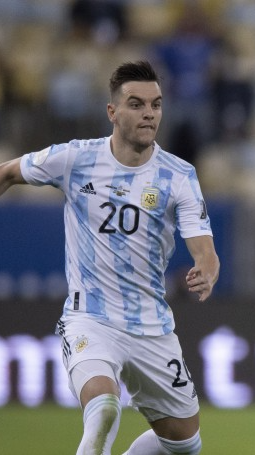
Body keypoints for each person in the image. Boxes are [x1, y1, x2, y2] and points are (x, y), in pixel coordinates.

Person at [0, 61, 219, 455]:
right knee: (103, 409)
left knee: (184, 445)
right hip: (91, 318)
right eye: (136, 104)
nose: (149, 113)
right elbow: (8, 173)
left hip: (152, 326)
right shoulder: (74, 159)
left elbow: (205, 248)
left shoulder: (178, 175)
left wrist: (206, 269)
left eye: (156, 104)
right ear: (112, 112)